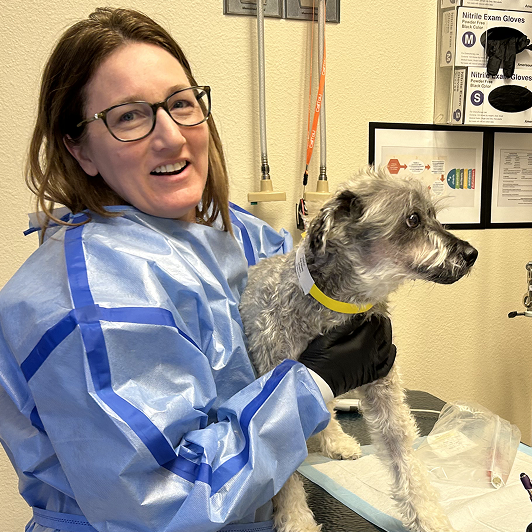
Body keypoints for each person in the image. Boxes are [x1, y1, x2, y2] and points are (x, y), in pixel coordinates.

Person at [0, 8, 396, 532]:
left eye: (181, 104)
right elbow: (164, 501)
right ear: (80, 149)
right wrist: (314, 383)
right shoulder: (84, 300)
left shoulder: (237, 233)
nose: (170, 137)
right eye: (128, 116)